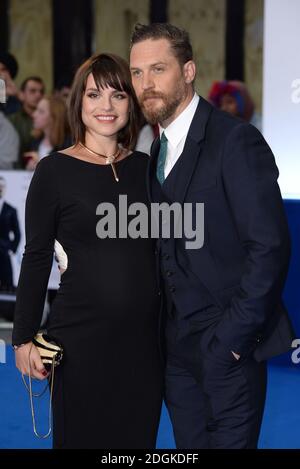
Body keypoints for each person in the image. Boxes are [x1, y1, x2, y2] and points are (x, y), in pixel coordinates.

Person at [129, 23, 294, 449]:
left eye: (158, 70)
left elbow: (269, 248)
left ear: (188, 71)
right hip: (175, 354)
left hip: (227, 348)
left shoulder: (236, 140)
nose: (146, 85)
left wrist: (231, 342)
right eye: (137, 73)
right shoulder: (154, 151)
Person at [12, 53, 163, 449]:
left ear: (131, 104)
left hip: (143, 347)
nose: (106, 107)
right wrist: (23, 338)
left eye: (117, 95)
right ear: (79, 102)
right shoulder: (54, 171)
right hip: (80, 343)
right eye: (95, 95)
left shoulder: (148, 169)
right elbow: (37, 255)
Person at [24, 95, 71, 170]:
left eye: (41, 112)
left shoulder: (69, 145)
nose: (34, 115)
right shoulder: (34, 142)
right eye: (36, 110)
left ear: (54, 116)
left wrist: (40, 165)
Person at [9, 76, 45, 168]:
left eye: (41, 91)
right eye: (33, 91)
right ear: (22, 94)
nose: (38, 95)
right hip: (15, 171)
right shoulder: (12, 120)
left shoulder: (49, 120)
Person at [0, 177, 21, 290]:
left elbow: (17, 233)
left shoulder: (11, 210)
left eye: (2, 186)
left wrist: (11, 249)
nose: (0, 189)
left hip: (4, 252)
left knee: (7, 285)